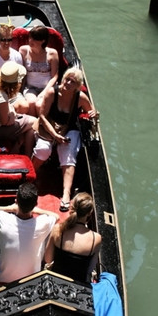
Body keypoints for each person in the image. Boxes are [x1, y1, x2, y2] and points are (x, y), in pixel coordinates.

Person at [32, 66, 97, 211]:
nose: (68, 83)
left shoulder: (80, 97)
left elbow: (91, 111)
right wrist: (54, 135)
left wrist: (94, 114)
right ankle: (30, 178)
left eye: (72, 82)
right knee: (43, 150)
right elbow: (42, 116)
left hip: (69, 129)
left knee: (68, 153)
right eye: (67, 79)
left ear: (77, 86)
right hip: (48, 126)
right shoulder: (51, 92)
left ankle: (66, 193)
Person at [0, 182, 57, 285]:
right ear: (35, 204)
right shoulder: (42, 224)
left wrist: (11, 208)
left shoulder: (3, 219)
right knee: (44, 235)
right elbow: (55, 216)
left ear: (16, 201)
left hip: (1, 277)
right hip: (30, 280)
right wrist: (37, 210)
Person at [44, 192, 101, 284]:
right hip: (78, 286)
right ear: (90, 212)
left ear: (72, 207)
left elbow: (48, 259)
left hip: (56, 282)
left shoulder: (58, 229)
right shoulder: (96, 239)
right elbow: (90, 269)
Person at [0, 62, 36, 157]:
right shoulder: (1, 96)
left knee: (26, 126)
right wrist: (12, 114)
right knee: (34, 122)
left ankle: (17, 147)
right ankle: (26, 154)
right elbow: (5, 122)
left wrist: (12, 112)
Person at [16, 26, 59, 115]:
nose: (30, 41)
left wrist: (44, 92)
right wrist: (18, 90)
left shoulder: (52, 53)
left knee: (39, 105)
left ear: (43, 41)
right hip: (30, 88)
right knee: (31, 103)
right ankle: (34, 125)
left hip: (47, 88)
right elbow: (21, 72)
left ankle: (43, 125)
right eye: (30, 38)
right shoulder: (23, 50)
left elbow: (55, 76)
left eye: (35, 39)